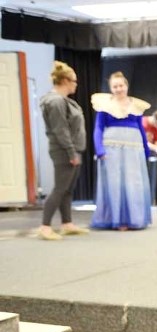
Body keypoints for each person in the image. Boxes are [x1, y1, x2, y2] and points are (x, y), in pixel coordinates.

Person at [90, 71, 151, 231]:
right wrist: (99, 149)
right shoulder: (104, 105)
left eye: (121, 85)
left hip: (133, 149)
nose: (118, 89)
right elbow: (98, 128)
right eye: (115, 86)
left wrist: (146, 150)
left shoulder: (135, 106)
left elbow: (141, 129)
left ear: (126, 86)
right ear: (111, 88)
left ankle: (134, 218)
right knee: (115, 183)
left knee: (133, 182)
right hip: (112, 148)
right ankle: (116, 219)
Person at [38, 61, 88, 241]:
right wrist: (71, 152)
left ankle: (67, 224)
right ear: (65, 80)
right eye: (74, 81)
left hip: (73, 150)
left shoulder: (63, 101)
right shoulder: (56, 101)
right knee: (59, 189)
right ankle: (45, 227)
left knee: (67, 190)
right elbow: (61, 130)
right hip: (64, 151)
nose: (76, 84)